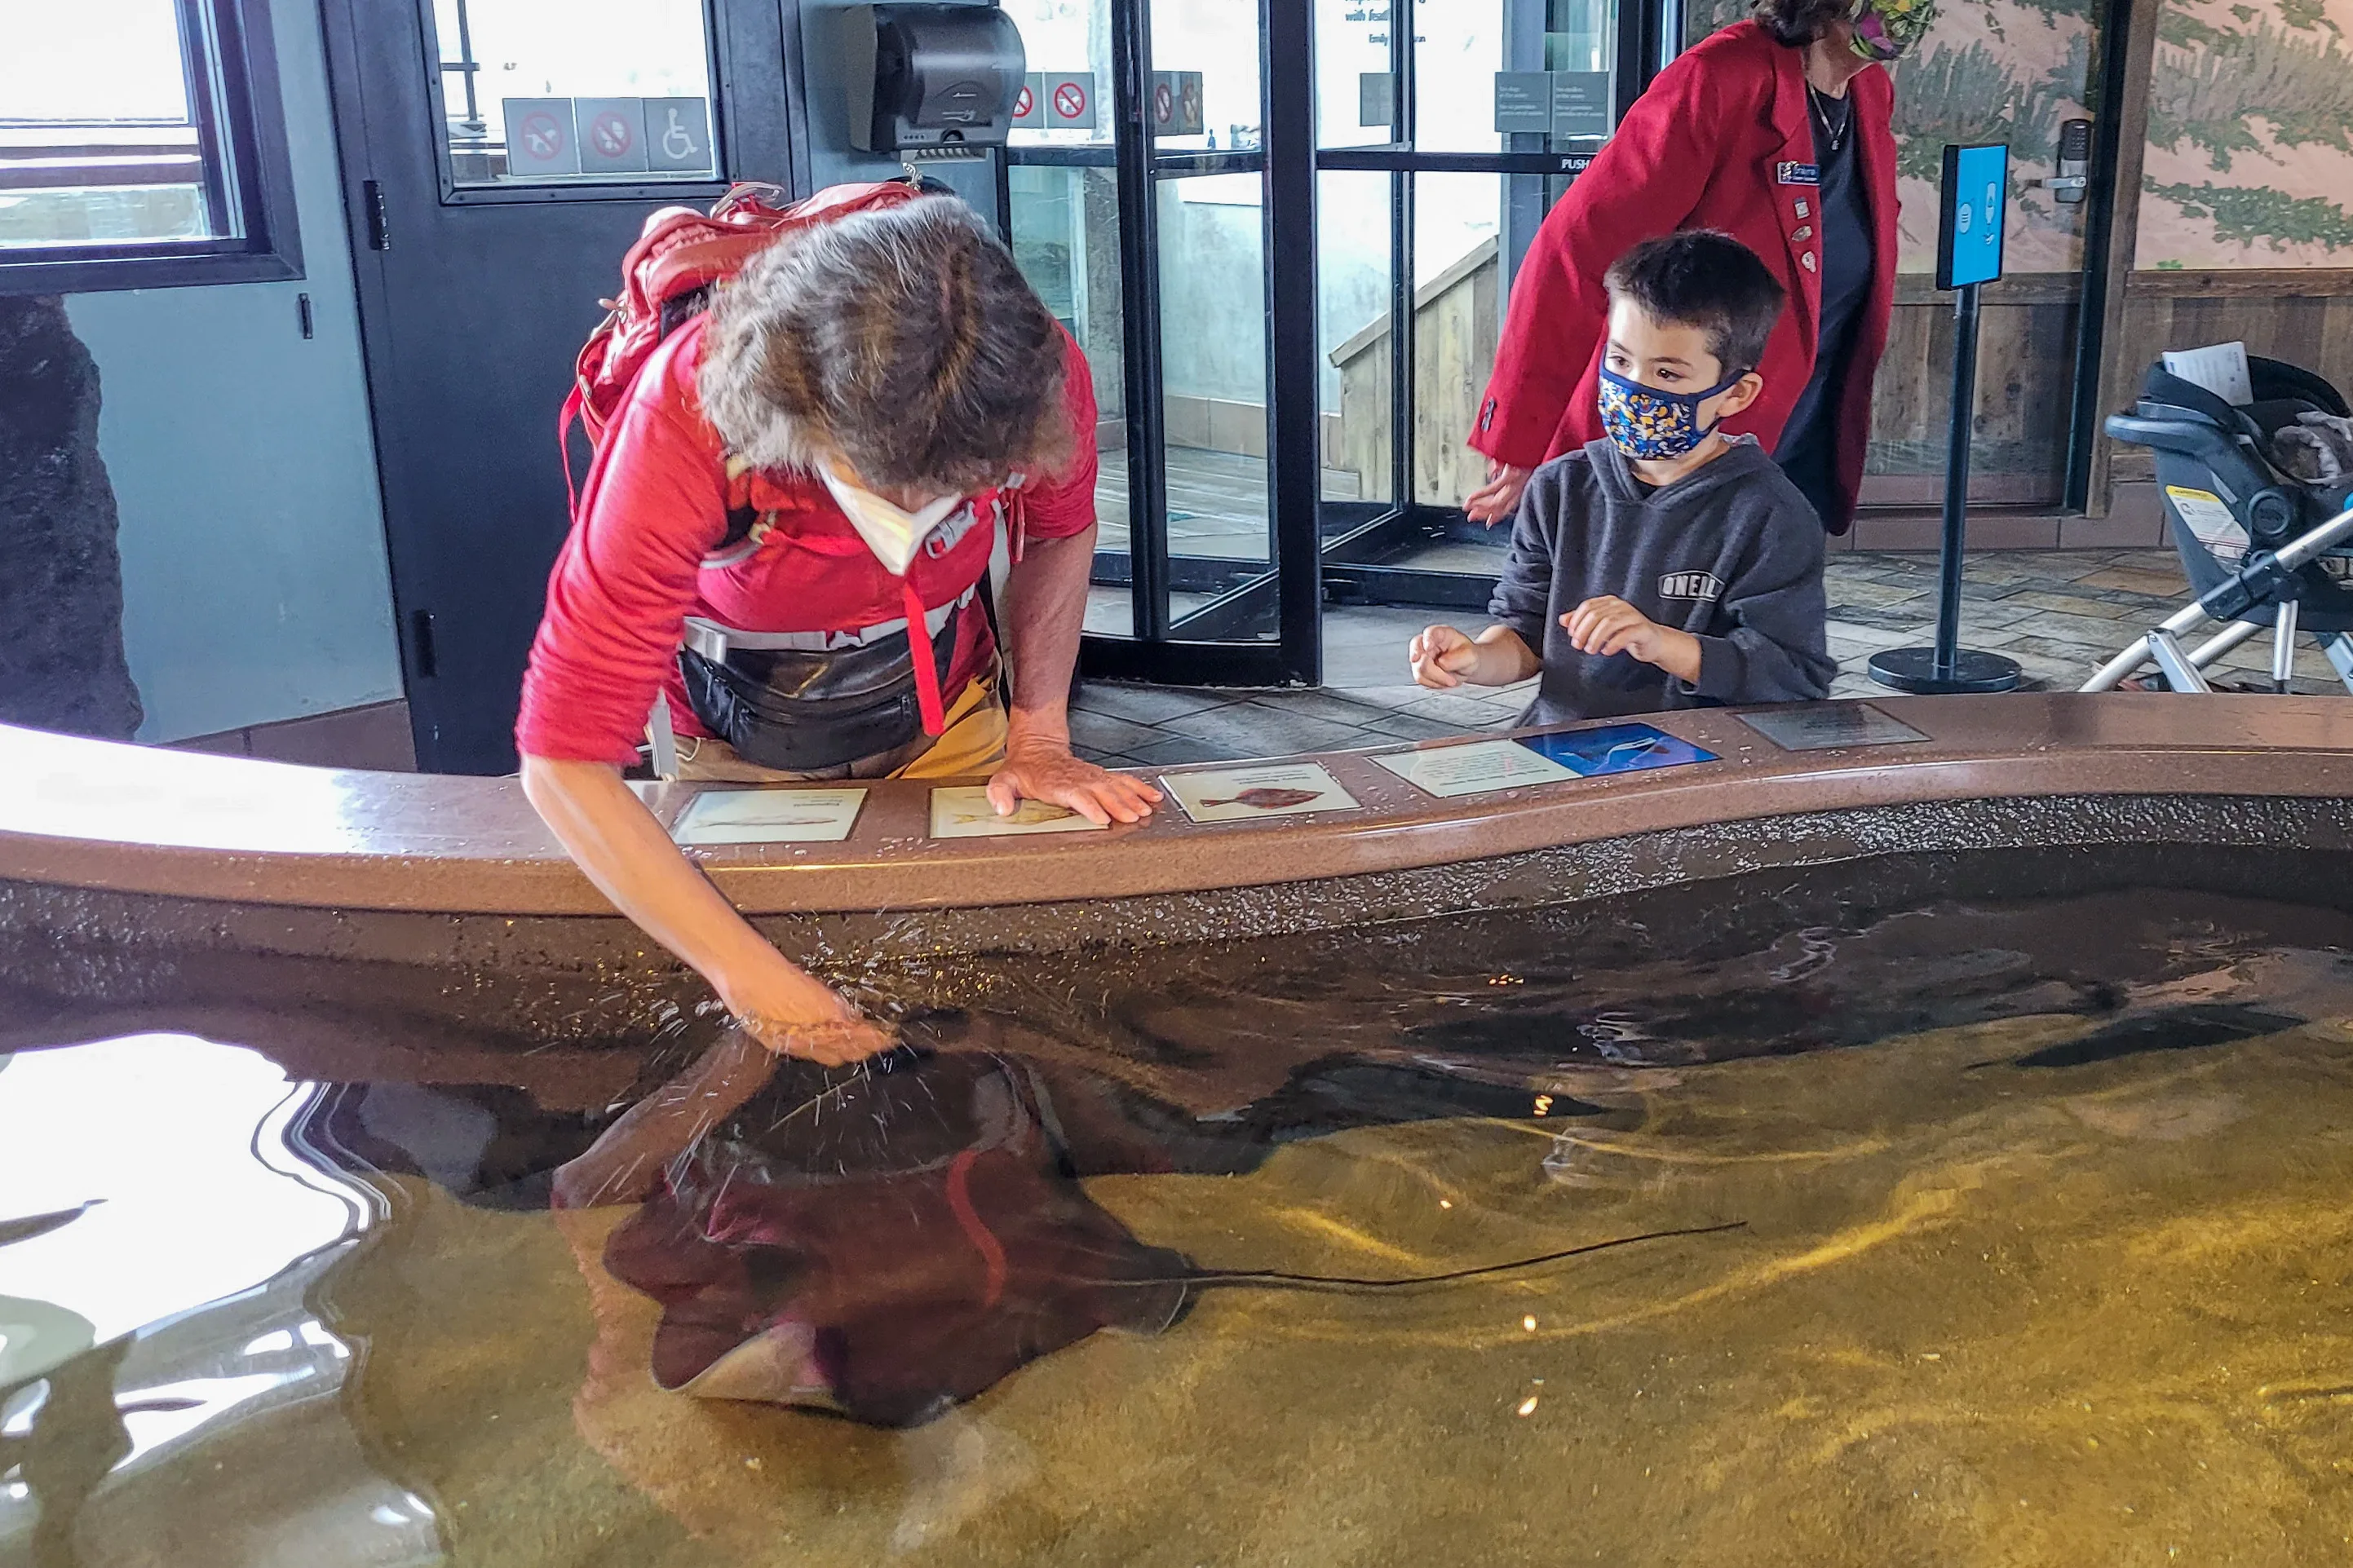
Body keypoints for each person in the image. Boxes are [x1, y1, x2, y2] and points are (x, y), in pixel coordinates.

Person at [516, 195, 1158, 1067]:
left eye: (952, 491)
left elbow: (1057, 527)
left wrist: (1039, 734)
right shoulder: (690, 406)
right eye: (887, 486)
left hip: (943, 697)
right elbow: (562, 761)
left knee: (990, 990)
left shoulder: (1035, 372)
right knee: (761, 1027)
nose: (913, 516)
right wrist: (746, 978)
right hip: (738, 722)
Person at [1462, 0, 1931, 535]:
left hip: (1797, 425)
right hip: (1678, 435)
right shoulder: (1720, 78)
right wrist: (1521, 438)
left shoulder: (1869, 92)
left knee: (1755, 609)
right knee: (1631, 610)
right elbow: (1573, 255)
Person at [1411, 232, 1835, 724]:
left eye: (1668, 375)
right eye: (1619, 361)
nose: (1634, 388)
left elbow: (1794, 676)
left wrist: (1658, 643)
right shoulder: (1559, 488)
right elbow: (1526, 635)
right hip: (1560, 750)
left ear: (1736, 395)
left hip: (1700, 767)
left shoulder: (1770, 514)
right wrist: (1475, 659)